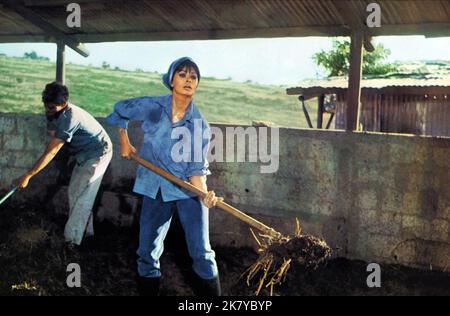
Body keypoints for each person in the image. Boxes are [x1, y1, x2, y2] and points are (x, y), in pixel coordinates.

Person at [107, 57, 223, 296]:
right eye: (182, 74)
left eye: (193, 77)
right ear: (171, 80)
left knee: (202, 252)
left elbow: (195, 170)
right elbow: (120, 109)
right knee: (147, 251)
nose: (188, 80)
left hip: (187, 190)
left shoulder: (199, 125)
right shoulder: (153, 107)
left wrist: (204, 196)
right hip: (155, 186)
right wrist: (124, 141)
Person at [14, 82, 113, 248]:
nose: (48, 110)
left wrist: (28, 175)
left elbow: (52, 151)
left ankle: (71, 242)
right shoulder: (53, 112)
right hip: (82, 153)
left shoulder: (71, 117)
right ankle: (86, 234)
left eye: (52, 107)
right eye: (47, 106)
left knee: (82, 196)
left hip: (98, 153)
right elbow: (53, 136)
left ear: (64, 103)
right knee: (75, 193)